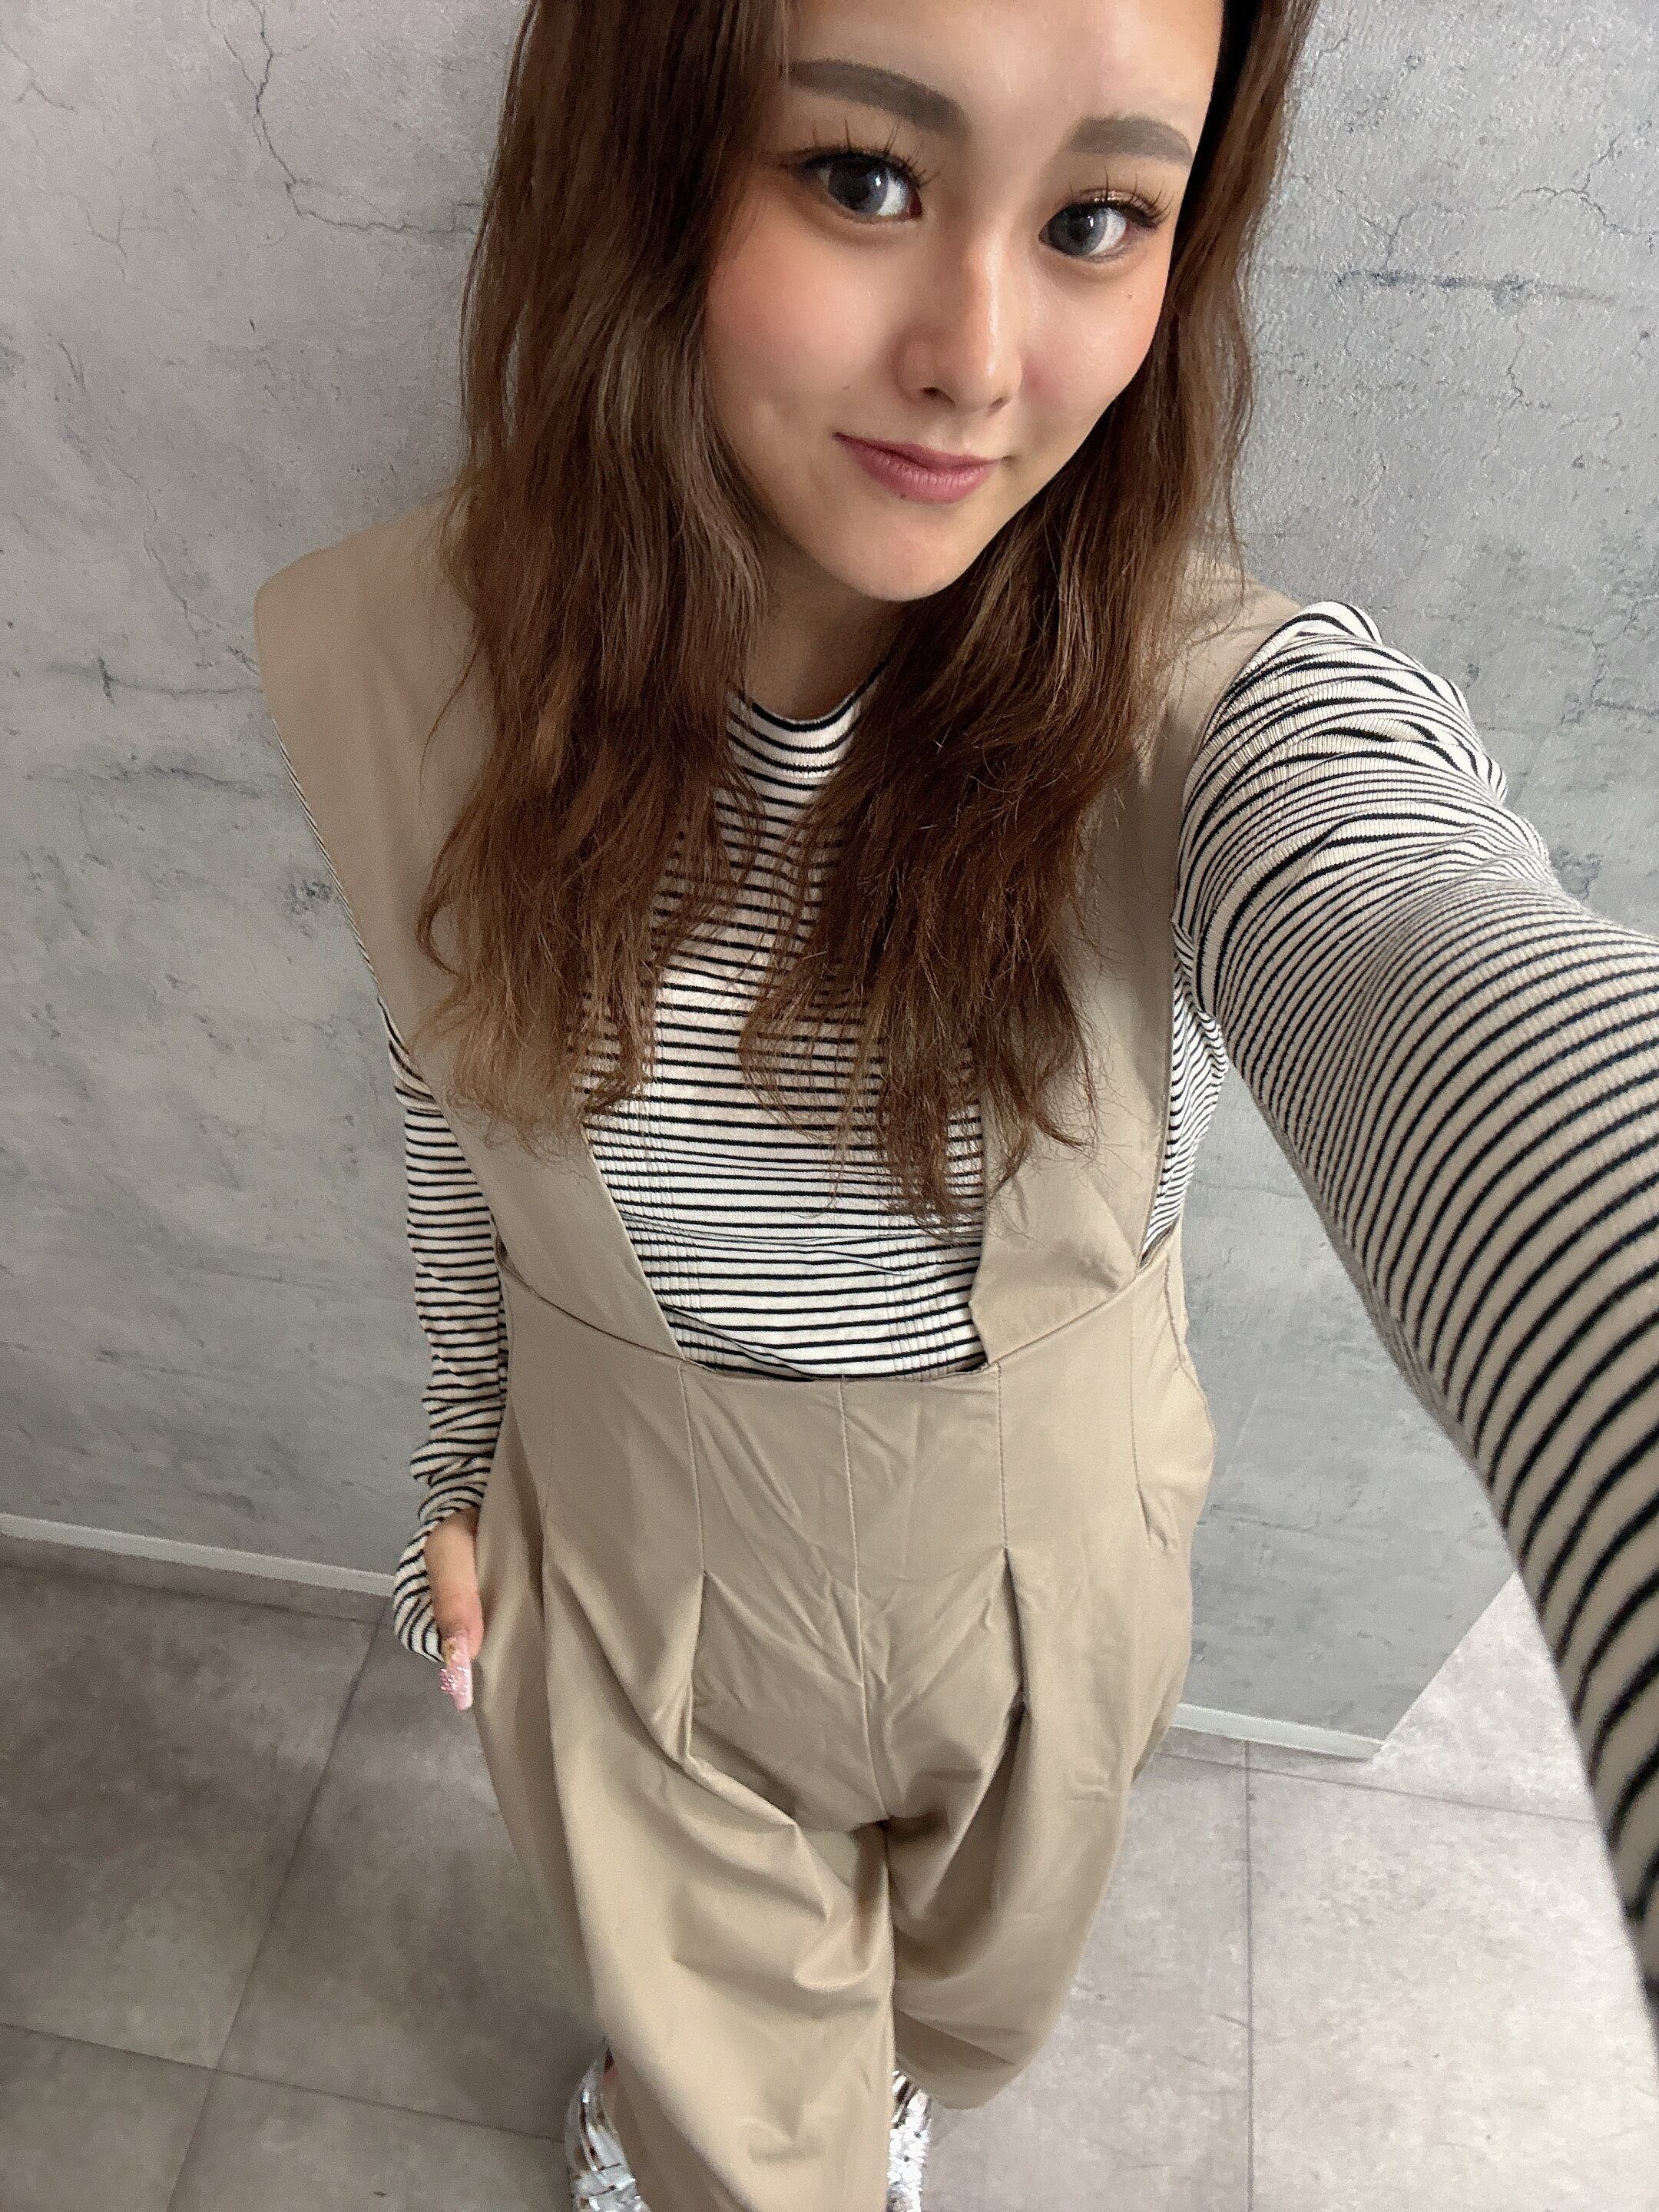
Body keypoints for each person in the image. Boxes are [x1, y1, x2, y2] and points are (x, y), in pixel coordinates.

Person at [252, 0, 1659, 2206]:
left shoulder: (1213, 711)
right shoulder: (394, 664)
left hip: (1056, 1539)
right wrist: (459, 1453)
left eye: (1097, 219)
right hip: (624, 1539)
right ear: (645, 158)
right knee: (735, 2119)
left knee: (970, 1988)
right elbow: (450, 1104)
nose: (981, 361)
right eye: (866, 177)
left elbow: (1417, 938)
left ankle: (871, 2073)